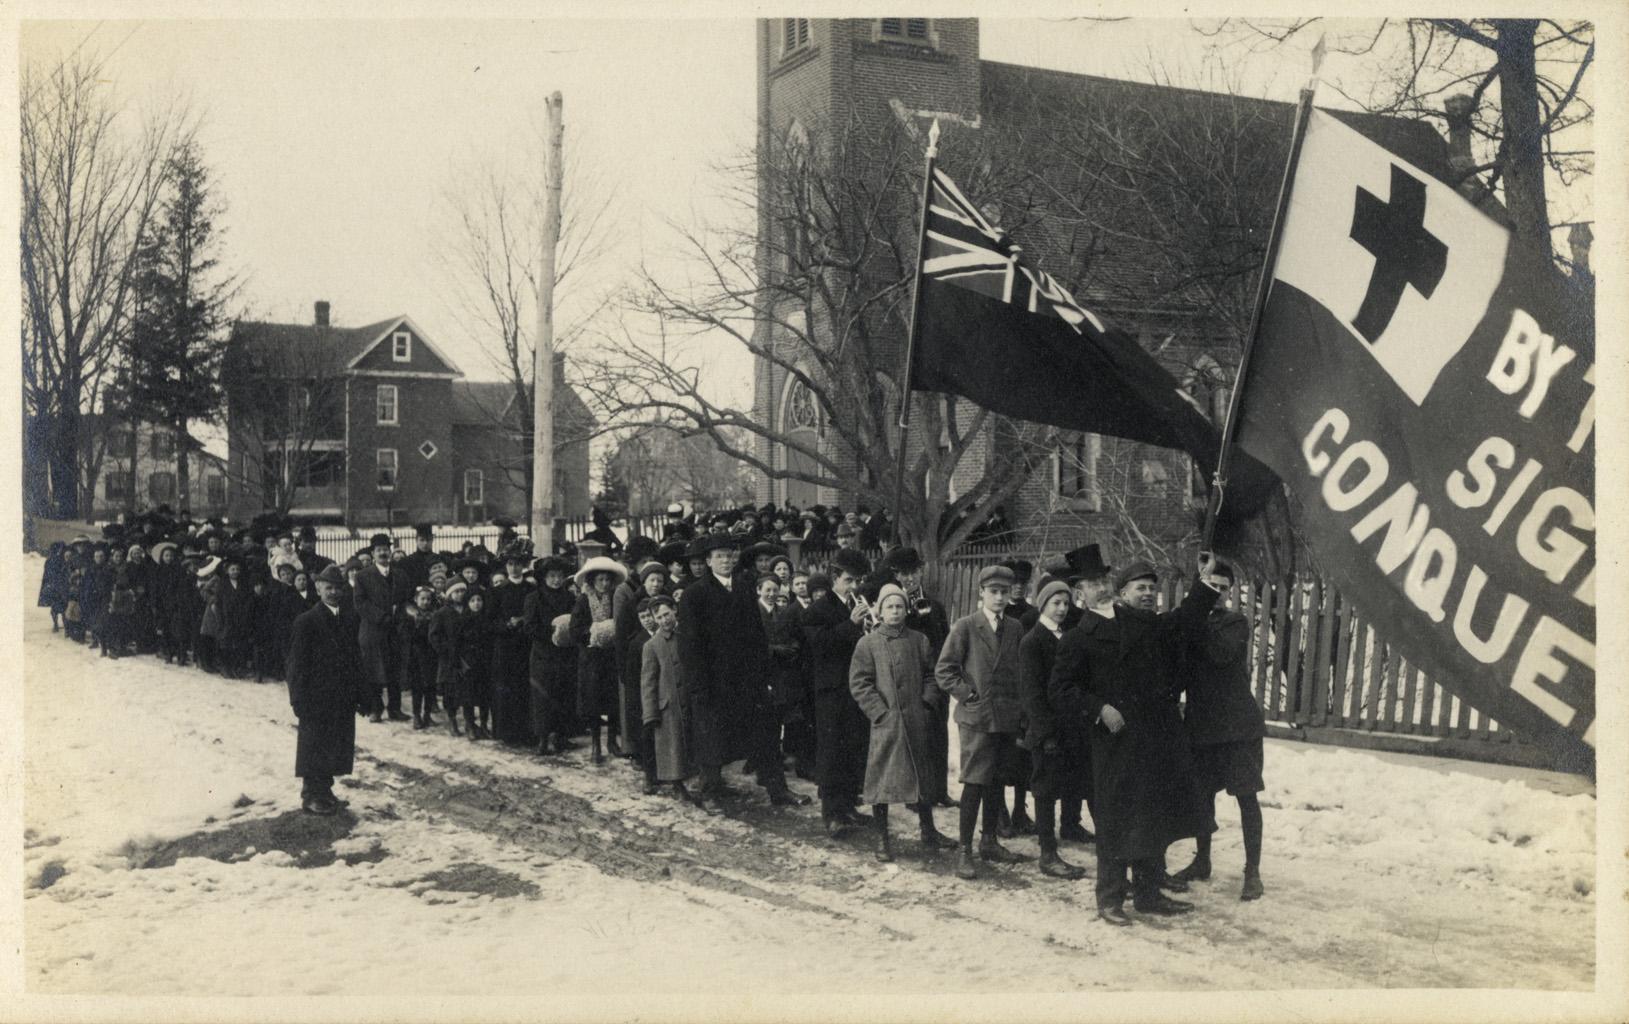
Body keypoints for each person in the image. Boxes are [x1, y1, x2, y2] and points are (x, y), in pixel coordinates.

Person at [1050, 555, 1222, 926]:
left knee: (1150, 813)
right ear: (1079, 593)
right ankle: (1109, 899)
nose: (1101, 586)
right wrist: (1099, 708)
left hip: (1151, 737)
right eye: (1092, 583)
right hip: (1113, 741)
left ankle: (1148, 894)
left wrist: (1205, 586)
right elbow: (1061, 690)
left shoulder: (1136, 621)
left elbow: (1179, 623)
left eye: (1104, 580)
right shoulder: (1077, 638)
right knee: (1115, 819)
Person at [676, 533, 807, 812]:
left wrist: (767, 676)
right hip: (714, 681)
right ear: (709, 561)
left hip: (748, 680)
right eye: (719, 556)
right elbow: (689, 646)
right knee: (712, 739)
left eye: (729, 555)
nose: (725, 560)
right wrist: (699, 687)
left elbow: (757, 635)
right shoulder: (694, 595)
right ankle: (710, 792)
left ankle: (777, 790)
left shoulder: (745, 587)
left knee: (765, 735)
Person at [1170, 560, 1266, 901]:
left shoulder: (1235, 622)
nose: (1216, 593)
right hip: (1201, 724)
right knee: (1202, 797)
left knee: (1246, 797)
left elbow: (1219, 654)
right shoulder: (1190, 623)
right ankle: (1203, 860)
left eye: (1222, 587)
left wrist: (1191, 621)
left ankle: (1252, 872)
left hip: (1237, 726)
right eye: (1209, 585)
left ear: (1230, 592)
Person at [848, 583, 958, 862]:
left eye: (899, 607)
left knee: (922, 778)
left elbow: (933, 675)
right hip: (887, 723)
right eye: (889, 607)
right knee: (882, 781)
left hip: (916, 721)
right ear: (880, 611)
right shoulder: (868, 643)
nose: (895, 612)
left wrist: (925, 703)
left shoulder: (919, 640)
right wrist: (880, 713)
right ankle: (882, 837)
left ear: (906, 610)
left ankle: (928, 829)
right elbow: (859, 683)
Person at [936, 564, 1027, 880]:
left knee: (997, 780)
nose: (1000, 598)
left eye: (1004, 592)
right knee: (974, 781)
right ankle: (965, 849)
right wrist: (967, 694)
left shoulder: (1015, 628)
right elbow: (944, 669)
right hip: (976, 718)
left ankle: (989, 840)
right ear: (982, 593)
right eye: (994, 592)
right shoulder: (965, 626)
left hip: (1006, 716)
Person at [1019, 580, 1089, 880]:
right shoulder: (1033, 641)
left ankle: (1070, 826)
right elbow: (1031, 693)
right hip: (1047, 729)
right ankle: (1048, 853)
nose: (1062, 609)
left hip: (1072, 725)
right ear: (1042, 605)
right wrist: (1045, 733)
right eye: (1055, 603)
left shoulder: (1069, 636)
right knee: (1045, 789)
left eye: (1066, 603)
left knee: (1073, 781)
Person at [802, 548, 874, 836]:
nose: (855, 586)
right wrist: (852, 625)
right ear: (834, 578)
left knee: (853, 747)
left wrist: (868, 628)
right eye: (849, 580)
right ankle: (831, 814)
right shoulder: (816, 610)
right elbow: (820, 645)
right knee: (832, 751)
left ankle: (847, 807)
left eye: (858, 580)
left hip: (855, 688)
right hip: (831, 691)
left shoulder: (854, 604)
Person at [285, 564, 363, 816]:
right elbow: (296, 665)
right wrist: (298, 698)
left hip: (341, 695)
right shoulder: (306, 621)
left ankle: (325, 789)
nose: (333, 593)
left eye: (337, 588)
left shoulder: (349, 619)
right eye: (328, 587)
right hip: (315, 696)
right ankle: (311, 795)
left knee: (335, 743)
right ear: (318, 588)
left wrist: (360, 692)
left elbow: (354, 657)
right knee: (314, 744)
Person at [886, 547, 954, 810]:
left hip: (937, 678)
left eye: (913, 572)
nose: (910, 578)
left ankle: (939, 790)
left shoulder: (934, 605)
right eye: (904, 573)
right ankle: (916, 794)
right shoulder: (895, 607)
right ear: (897, 576)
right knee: (915, 737)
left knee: (939, 734)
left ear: (920, 571)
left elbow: (946, 642)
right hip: (912, 680)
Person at [640, 595, 695, 804]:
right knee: (672, 747)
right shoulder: (651, 646)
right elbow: (648, 682)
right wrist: (651, 712)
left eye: (667, 614)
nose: (664, 620)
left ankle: (695, 779)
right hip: (668, 704)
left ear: (675, 611)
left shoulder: (685, 636)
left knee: (689, 742)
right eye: (659, 617)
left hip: (688, 698)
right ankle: (676, 785)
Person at [572, 556, 626, 763]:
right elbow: (575, 630)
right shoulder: (583, 600)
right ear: (592, 581)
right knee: (593, 701)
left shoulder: (615, 598)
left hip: (611, 656)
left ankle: (612, 741)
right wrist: (594, 632)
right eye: (600, 580)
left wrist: (613, 632)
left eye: (607, 580)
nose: (604, 584)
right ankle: (596, 744)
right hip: (592, 658)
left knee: (613, 700)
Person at [524, 555, 579, 756]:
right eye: (552, 576)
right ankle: (543, 739)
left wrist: (567, 635)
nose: (556, 580)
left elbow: (575, 622)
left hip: (565, 654)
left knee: (564, 695)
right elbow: (529, 627)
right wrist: (552, 633)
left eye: (560, 576)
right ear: (544, 577)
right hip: (543, 655)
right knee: (542, 696)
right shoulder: (534, 598)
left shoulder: (570, 598)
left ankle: (561, 736)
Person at [354, 533, 407, 724]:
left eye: (386, 549)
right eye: (379, 550)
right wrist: (382, 617)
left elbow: (405, 600)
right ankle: (375, 709)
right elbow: (360, 603)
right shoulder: (362, 576)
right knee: (373, 672)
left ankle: (395, 709)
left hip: (395, 631)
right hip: (373, 631)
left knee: (394, 671)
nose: (383, 553)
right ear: (373, 553)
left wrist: (399, 617)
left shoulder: (400, 574)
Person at [489, 548, 536, 747]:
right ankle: (508, 733)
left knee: (525, 687)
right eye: (510, 564)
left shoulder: (531, 589)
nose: (514, 567)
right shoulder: (498, 591)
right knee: (507, 688)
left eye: (517, 563)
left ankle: (527, 731)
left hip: (526, 645)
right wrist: (507, 625)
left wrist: (525, 620)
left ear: (523, 565)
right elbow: (490, 621)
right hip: (506, 647)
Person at [431, 579, 475, 737]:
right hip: (449, 660)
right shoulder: (441, 613)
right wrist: (446, 651)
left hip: (467, 659)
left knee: (468, 693)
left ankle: (470, 724)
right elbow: (434, 637)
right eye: (456, 592)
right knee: (451, 693)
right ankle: (452, 721)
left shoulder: (469, 610)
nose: (460, 595)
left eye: (462, 591)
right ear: (449, 594)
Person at [396, 585, 440, 730]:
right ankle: (417, 715)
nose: (425, 602)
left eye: (428, 599)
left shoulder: (435, 615)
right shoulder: (409, 615)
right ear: (416, 599)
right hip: (416, 656)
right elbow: (403, 634)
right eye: (422, 599)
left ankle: (427, 715)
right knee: (418, 688)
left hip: (431, 655)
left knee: (430, 687)